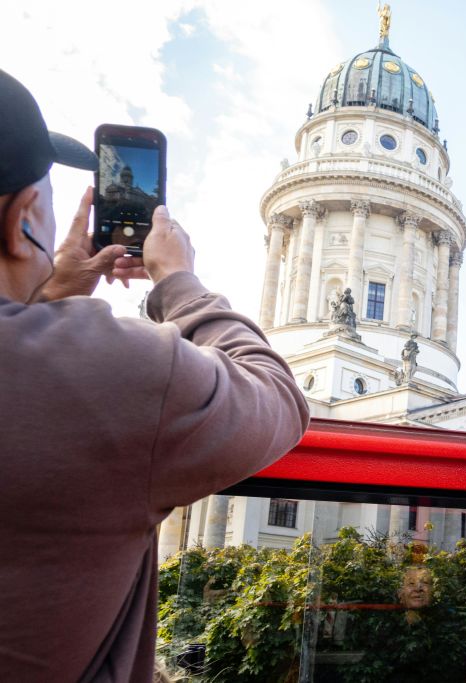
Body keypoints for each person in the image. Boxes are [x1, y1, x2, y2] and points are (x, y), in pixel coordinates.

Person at [0, 69, 310, 682]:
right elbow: (277, 398)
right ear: (23, 219)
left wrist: (48, 297)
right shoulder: (106, 370)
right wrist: (178, 283)